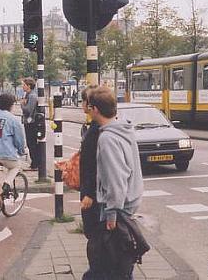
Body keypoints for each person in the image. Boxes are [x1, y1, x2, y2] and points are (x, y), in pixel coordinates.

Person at [83, 86, 144, 280]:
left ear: (95, 109)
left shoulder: (107, 138)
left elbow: (116, 179)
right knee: (120, 261)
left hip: (117, 208)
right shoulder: (124, 129)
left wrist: (110, 214)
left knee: (108, 264)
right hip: (130, 201)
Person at [79, 85, 100, 240]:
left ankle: (97, 264)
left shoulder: (96, 131)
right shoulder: (91, 127)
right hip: (89, 190)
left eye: (83, 101)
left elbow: (96, 164)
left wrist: (89, 194)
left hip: (92, 195)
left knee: (94, 232)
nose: (82, 105)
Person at [20, 77, 39, 170]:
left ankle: (35, 164)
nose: (22, 86)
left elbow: (28, 110)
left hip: (31, 122)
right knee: (30, 142)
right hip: (28, 122)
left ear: (29, 86)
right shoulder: (28, 95)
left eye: (24, 85)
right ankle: (34, 163)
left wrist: (22, 104)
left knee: (32, 142)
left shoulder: (32, 96)